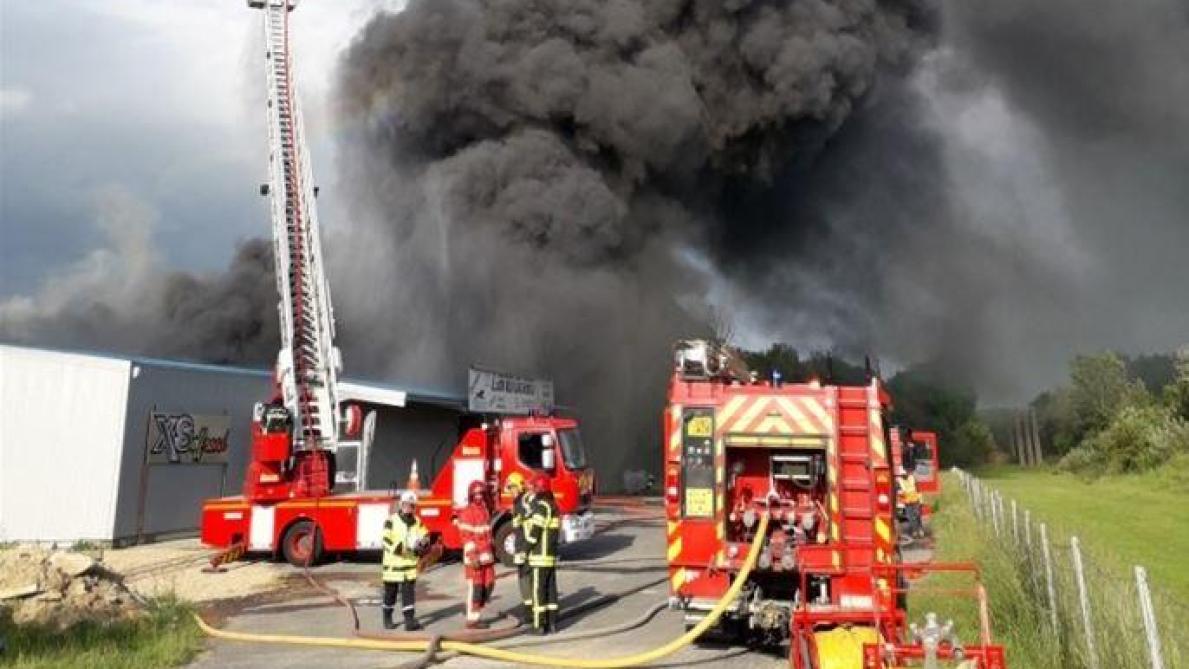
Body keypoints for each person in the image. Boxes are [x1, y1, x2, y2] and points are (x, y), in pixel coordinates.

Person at [381, 490, 428, 630]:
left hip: (409, 567)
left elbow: (425, 535)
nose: (409, 507)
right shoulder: (391, 520)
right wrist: (399, 549)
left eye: (411, 505)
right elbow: (385, 539)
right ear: (401, 505)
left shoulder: (417, 522)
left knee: (409, 594)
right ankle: (387, 618)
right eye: (406, 504)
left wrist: (424, 543)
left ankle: (409, 621)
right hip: (393, 566)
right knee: (390, 594)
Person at [455, 480, 496, 629]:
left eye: (481, 494)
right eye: (476, 494)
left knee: (489, 584)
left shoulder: (484, 510)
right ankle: (472, 619)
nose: (479, 496)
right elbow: (466, 537)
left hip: (486, 557)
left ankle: (476, 612)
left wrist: (492, 549)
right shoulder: (467, 513)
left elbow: (487, 534)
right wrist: (472, 556)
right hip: (475, 558)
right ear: (471, 496)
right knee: (476, 588)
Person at [525, 472, 560, 635]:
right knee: (551, 590)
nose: (531, 490)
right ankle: (552, 623)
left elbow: (535, 532)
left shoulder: (541, 507)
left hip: (539, 556)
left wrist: (525, 549)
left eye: (534, 487)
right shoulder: (553, 505)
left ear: (539, 488)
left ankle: (538, 625)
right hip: (550, 556)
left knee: (538, 591)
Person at [505, 472, 535, 625]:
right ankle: (530, 610)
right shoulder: (520, 502)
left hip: (525, 547)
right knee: (525, 578)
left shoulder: (522, 502)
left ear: (518, 486)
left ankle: (530, 613)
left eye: (511, 487)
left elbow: (526, 524)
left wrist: (524, 549)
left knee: (525, 578)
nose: (510, 490)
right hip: (523, 546)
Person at [896, 467, 924, 539]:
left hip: (915, 500)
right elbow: (899, 493)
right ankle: (914, 531)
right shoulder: (899, 481)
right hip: (907, 502)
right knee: (910, 517)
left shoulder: (913, 478)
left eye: (905, 474)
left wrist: (921, 500)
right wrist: (901, 501)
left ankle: (920, 530)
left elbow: (918, 489)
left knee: (917, 515)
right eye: (902, 475)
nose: (904, 476)